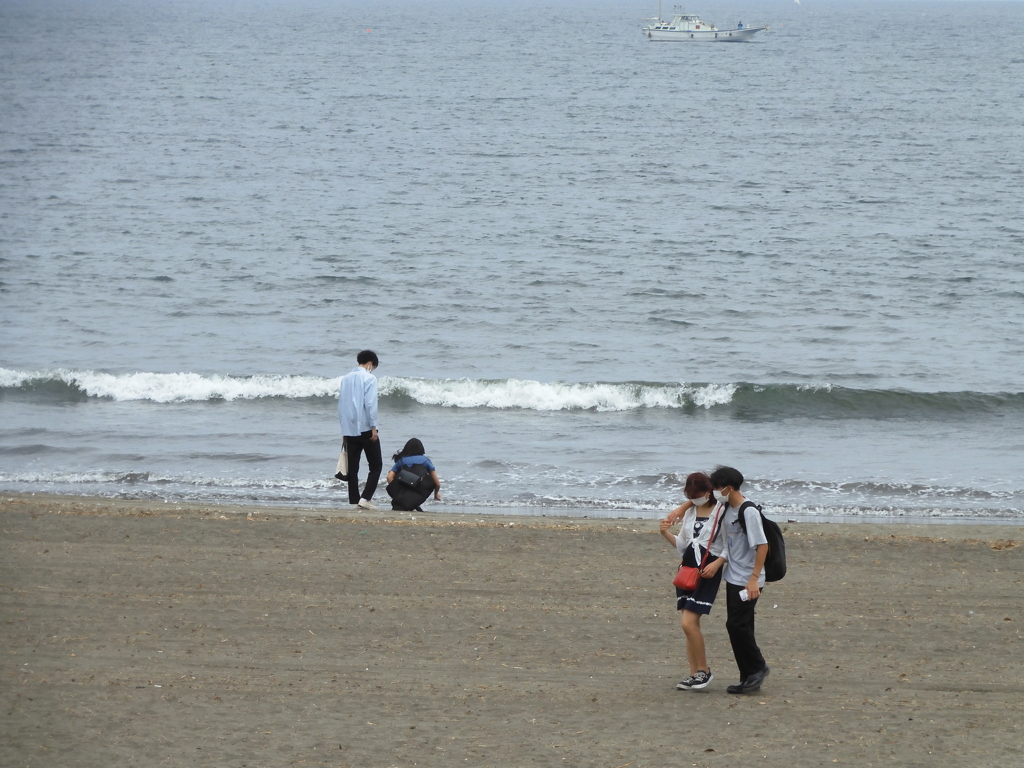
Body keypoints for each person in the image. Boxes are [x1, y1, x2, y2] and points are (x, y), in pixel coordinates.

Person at [661, 471, 727, 691]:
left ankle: (704, 671)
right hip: (687, 568)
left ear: (709, 491)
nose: (694, 499)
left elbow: (730, 544)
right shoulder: (690, 512)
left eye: (697, 495)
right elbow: (683, 545)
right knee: (690, 626)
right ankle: (693, 673)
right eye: (691, 496)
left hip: (708, 568)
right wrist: (665, 533)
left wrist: (718, 564)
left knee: (688, 622)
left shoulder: (721, 510)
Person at [710, 465, 770, 694]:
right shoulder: (726, 509)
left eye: (717, 487)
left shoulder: (748, 511)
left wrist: (754, 578)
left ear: (729, 487)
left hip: (749, 579)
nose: (715, 491)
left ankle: (758, 667)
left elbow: (762, 545)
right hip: (733, 576)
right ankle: (747, 676)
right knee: (742, 625)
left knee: (735, 625)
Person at [338, 350, 382, 510]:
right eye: (373, 366)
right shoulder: (369, 378)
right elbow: (370, 404)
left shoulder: (345, 378)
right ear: (370, 363)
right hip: (365, 428)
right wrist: (374, 427)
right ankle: (365, 498)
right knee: (376, 466)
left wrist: (344, 429)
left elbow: (342, 405)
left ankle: (355, 500)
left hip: (349, 429)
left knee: (353, 468)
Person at [385, 438, 442, 511]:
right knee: (429, 479)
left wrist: (398, 492)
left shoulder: (402, 460)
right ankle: (419, 504)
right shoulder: (425, 460)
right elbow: (437, 483)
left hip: (404, 489)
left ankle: (405, 500)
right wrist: (436, 494)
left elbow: (389, 477)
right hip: (419, 491)